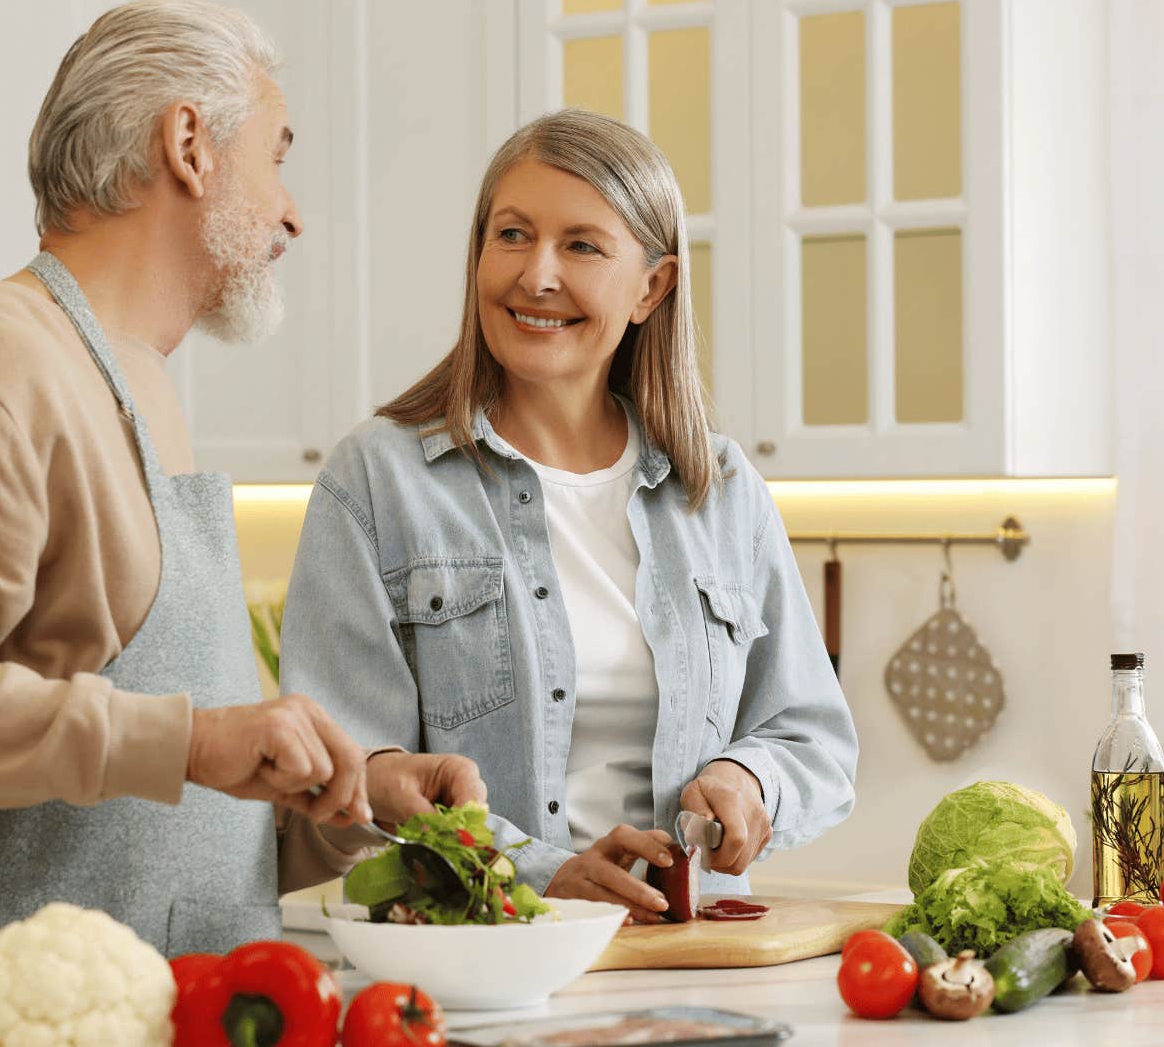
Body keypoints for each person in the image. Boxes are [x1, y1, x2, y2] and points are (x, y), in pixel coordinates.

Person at [0, 0, 483, 989]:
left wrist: (357, 800)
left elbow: (137, 810)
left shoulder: (127, 379)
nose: (293, 212)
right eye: (276, 155)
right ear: (188, 143)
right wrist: (189, 737)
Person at [280, 110, 857, 924]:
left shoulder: (721, 490)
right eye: (512, 235)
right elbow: (348, 776)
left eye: (581, 245)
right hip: (479, 949)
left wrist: (751, 780)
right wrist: (540, 875)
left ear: (652, 288)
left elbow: (812, 737)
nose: (537, 275)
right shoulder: (378, 480)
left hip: (688, 955)